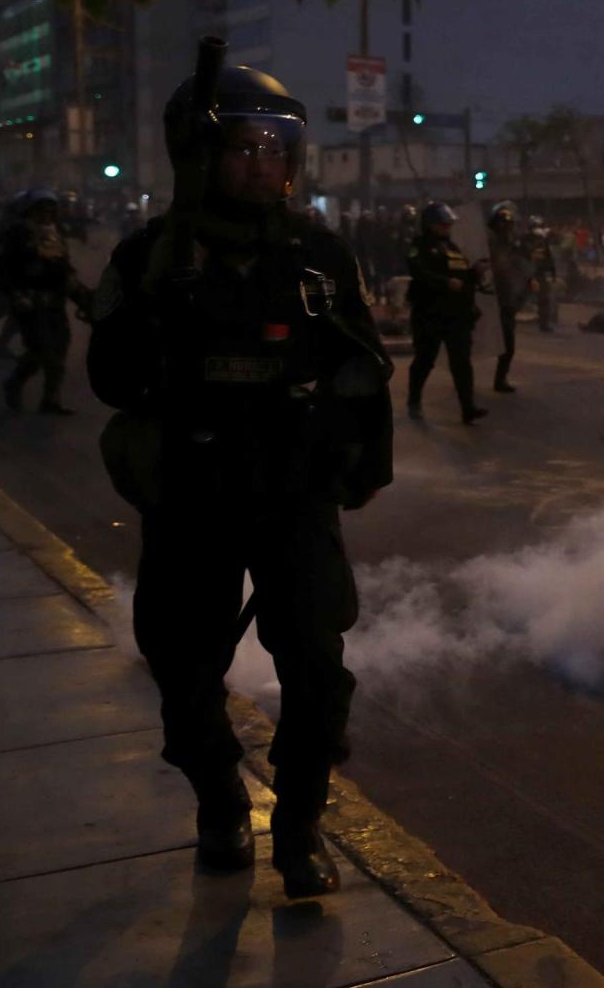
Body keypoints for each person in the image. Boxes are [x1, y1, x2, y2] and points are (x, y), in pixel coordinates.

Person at [86, 57, 393, 899]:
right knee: (183, 671)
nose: (265, 165)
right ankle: (220, 800)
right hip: (191, 494)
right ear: (197, 157)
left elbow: (362, 369)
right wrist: (156, 299)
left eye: (276, 148)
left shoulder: (317, 254)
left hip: (292, 493)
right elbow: (109, 379)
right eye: (244, 147)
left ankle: (299, 828)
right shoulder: (150, 253)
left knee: (317, 670)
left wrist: (357, 466)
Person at [0, 188, 88, 413]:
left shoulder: (55, 232)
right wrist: (16, 294)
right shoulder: (18, 234)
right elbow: (5, 268)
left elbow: (62, 265)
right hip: (30, 300)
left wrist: (77, 288)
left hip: (54, 301)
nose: (47, 212)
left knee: (59, 348)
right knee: (39, 350)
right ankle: (14, 383)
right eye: (41, 208)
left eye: (50, 208)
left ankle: (50, 399)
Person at [405, 202, 486, 424]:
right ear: (430, 224)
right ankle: (414, 401)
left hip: (456, 316)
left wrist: (475, 273)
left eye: (448, 224)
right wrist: (443, 283)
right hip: (429, 314)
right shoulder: (419, 246)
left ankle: (468, 408)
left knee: (461, 362)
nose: (447, 228)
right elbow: (418, 272)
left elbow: (463, 278)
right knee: (425, 360)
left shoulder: (453, 248)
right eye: (442, 224)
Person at [487, 203, 528, 394]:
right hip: (486, 299)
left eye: (509, 225)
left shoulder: (512, 245)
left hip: (505, 301)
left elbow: (519, 268)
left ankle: (500, 378)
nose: (507, 228)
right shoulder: (487, 243)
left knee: (508, 345)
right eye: (503, 224)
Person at [525, 215, 559, 332]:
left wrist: (552, 272)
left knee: (544, 299)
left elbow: (548, 258)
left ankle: (544, 324)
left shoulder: (543, 242)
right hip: (526, 274)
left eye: (540, 226)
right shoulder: (525, 241)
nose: (539, 229)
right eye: (536, 227)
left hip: (539, 275)